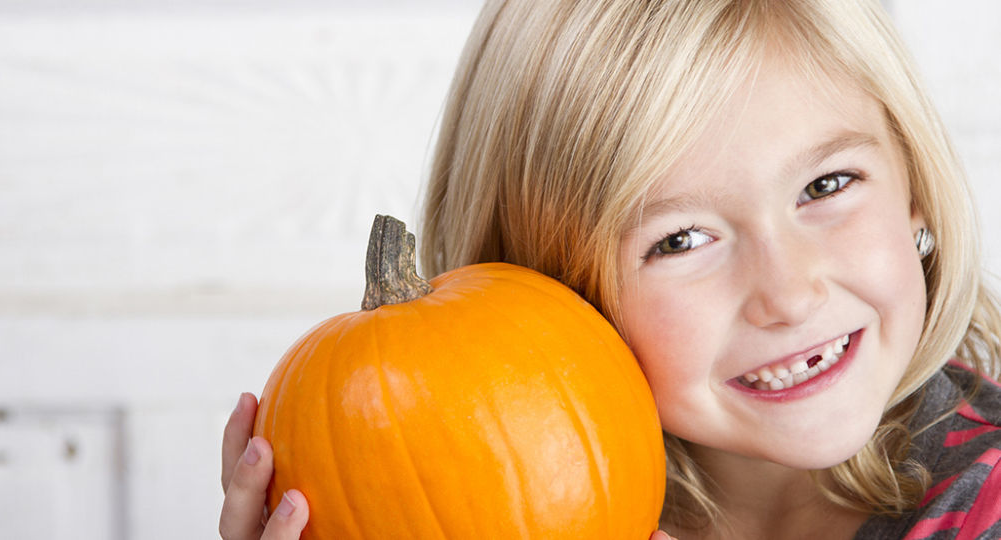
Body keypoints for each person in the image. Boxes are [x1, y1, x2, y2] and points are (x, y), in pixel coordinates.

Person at [219, 0, 1001, 538]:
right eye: (680, 240)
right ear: (550, 294)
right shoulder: (518, 507)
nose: (790, 295)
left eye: (826, 187)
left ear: (916, 193)